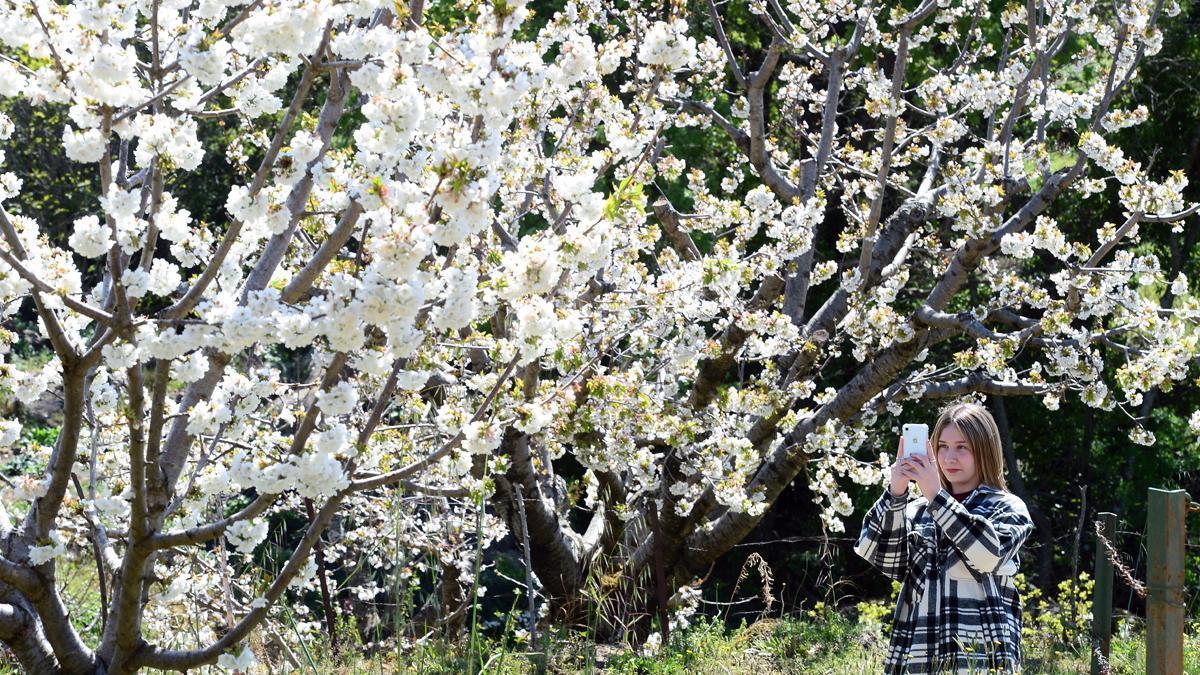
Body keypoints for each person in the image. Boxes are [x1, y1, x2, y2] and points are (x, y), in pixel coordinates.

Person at [855, 402, 1034, 674]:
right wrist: (896, 493)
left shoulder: (1007, 507)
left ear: (984, 450)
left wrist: (937, 497)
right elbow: (884, 559)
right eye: (942, 446)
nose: (950, 457)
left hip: (981, 659)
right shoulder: (915, 508)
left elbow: (988, 556)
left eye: (962, 447)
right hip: (917, 654)